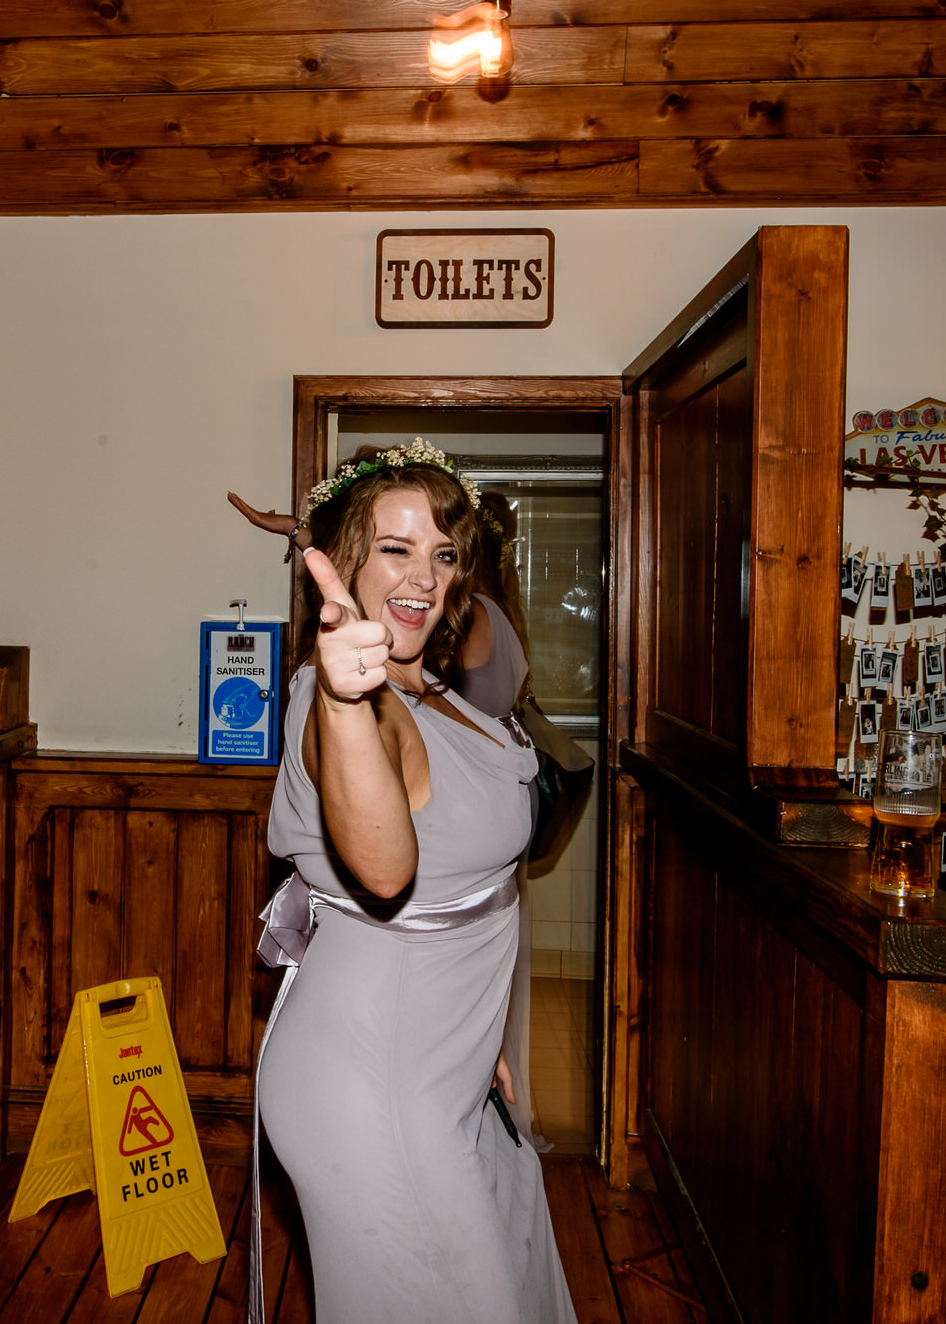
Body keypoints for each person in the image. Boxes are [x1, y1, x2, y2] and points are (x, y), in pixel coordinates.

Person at [251, 442, 573, 1323]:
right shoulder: (346, 700)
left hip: (446, 1065)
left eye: (441, 552)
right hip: (372, 1081)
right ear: (344, 561)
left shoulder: (432, 686)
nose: (422, 575)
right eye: (394, 547)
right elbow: (388, 868)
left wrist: (480, 1041)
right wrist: (349, 704)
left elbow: (460, 899)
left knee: (511, 1276)